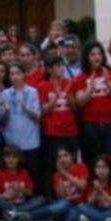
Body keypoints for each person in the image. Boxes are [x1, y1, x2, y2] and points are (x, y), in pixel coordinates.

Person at [74, 42, 111, 166]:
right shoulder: (81, 76)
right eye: (93, 54)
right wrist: (90, 88)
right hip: (91, 125)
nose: (97, 57)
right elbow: (79, 102)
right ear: (87, 57)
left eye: (99, 54)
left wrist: (108, 83)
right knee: (93, 160)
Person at [38, 57, 78, 197]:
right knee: (52, 166)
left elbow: (75, 107)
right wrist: (55, 97)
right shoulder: (43, 86)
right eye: (57, 66)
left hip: (70, 130)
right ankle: (52, 196)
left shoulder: (70, 83)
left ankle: (72, 194)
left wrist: (68, 97)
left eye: (62, 66)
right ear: (49, 69)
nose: (61, 69)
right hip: (52, 132)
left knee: (72, 165)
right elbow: (44, 110)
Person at [0, 64, 41, 192]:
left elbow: (37, 116)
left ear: (24, 75)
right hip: (12, 142)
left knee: (32, 176)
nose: (15, 77)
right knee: (14, 176)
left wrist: (25, 108)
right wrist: (5, 112)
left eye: (18, 73)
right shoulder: (5, 93)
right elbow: (1, 121)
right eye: (12, 74)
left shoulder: (33, 91)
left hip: (30, 142)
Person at [26, 147, 88, 221]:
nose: (63, 159)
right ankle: (28, 216)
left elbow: (82, 187)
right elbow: (61, 196)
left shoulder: (81, 167)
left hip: (80, 204)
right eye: (60, 157)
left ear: (72, 157)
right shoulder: (57, 175)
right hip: (65, 203)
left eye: (66, 155)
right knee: (62, 206)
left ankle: (52, 214)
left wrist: (64, 173)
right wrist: (61, 175)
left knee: (71, 218)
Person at [0, 146, 45, 219]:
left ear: (19, 159)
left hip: (22, 204)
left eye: (14, 157)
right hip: (7, 204)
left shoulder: (24, 173)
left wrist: (21, 189)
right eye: (7, 157)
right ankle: (18, 214)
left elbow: (30, 193)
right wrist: (4, 196)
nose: (10, 160)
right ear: (3, 159)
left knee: (41, 199)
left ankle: (13, 213)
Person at [67, 155, 111, 221]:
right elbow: (89, 202)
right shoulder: (92, 182)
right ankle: (104, 220)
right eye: (98, 167)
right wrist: (96, 191)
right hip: (95, 209)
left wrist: (101, 191)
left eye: (104, 167)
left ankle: (95, 219)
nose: (101, 170)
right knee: (80, 207)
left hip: (109, 209)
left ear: (110, 169)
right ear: (94, 169)